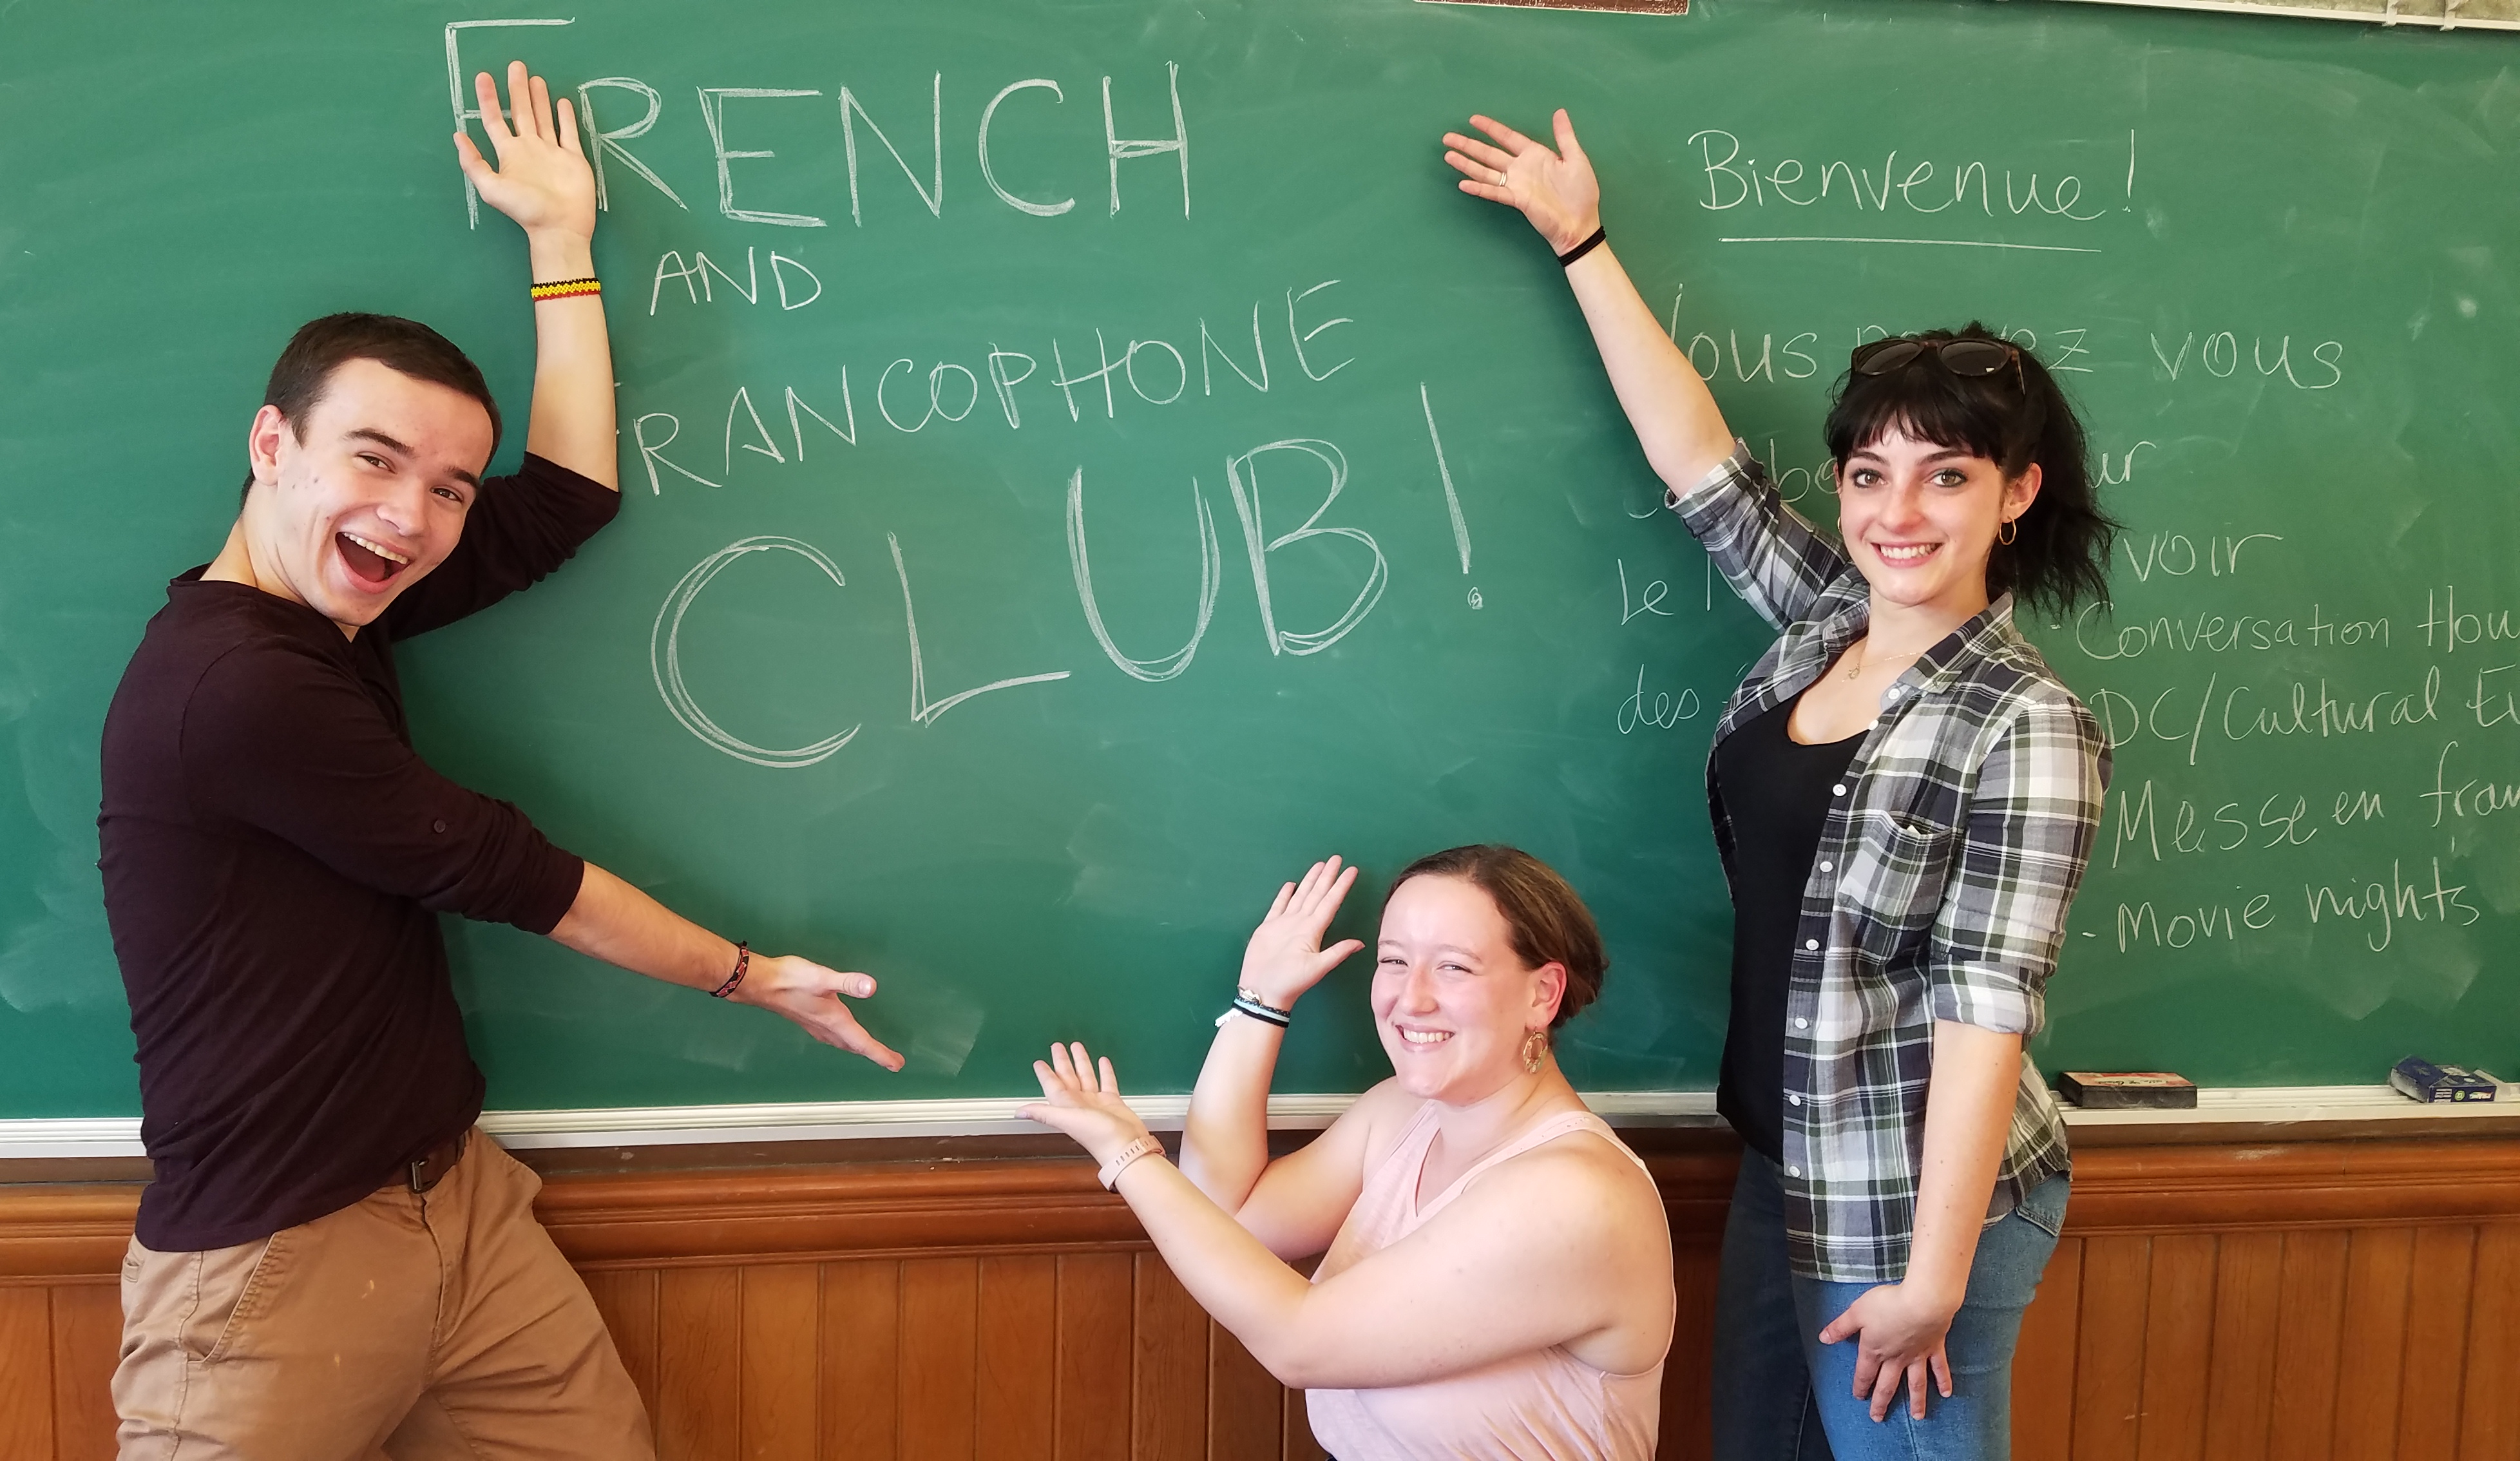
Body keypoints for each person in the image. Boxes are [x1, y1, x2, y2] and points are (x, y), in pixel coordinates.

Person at [96, 62, 901, 1460]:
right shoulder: (234, 686)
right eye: (375, 459)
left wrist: (560, 243)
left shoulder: (333, 619)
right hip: (273, 1265)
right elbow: (518, 875)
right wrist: (750, 975)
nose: (411, 518)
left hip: (455, 1207)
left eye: (449, 487)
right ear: (271, 444)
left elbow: (569, 498)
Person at [1441, 112, 2115, 1460]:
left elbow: (1985, 1018)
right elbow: (1702, 467)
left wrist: (1929, 1283)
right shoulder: (1829, 623)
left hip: (1929, 1204)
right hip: (1785, 1160)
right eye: (1870, 473)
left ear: (2018, 493)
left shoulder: (2027, 725)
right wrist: (1581, 242)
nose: (1898, 512)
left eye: (1948, 476)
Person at [1022, 850, 1675, 1460]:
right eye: (1394, 961)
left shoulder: (1575, 1196)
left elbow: (1298, 1343)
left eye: (1454, 966)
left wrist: (1128, 1155)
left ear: (1543, 993)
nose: (1410, 998)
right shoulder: (1403, 1114)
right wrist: (1261, 1000)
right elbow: (1229, 1211)